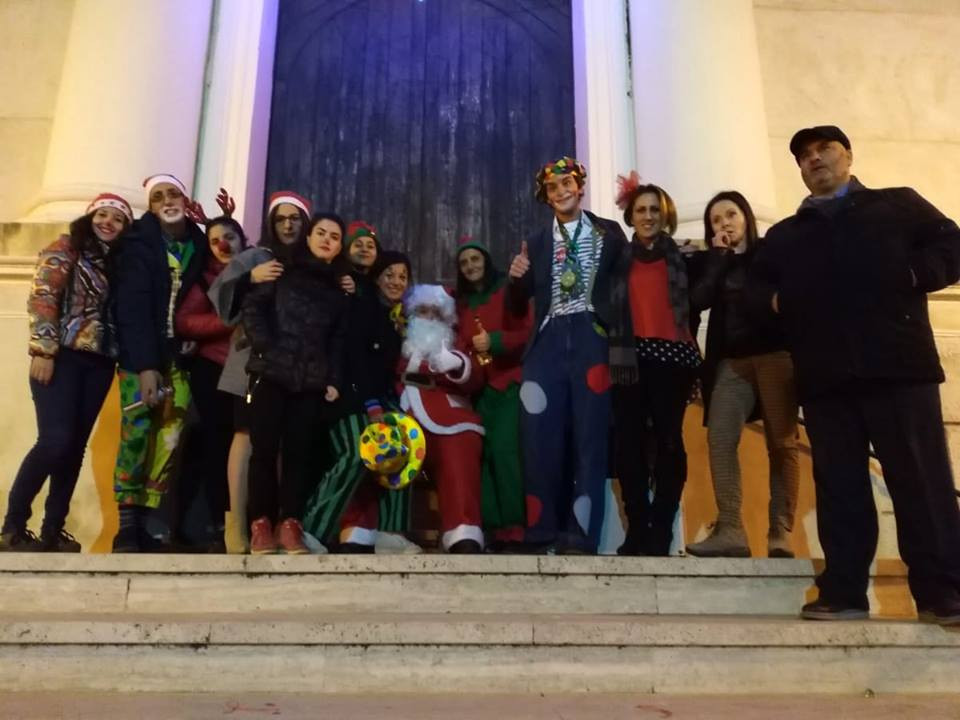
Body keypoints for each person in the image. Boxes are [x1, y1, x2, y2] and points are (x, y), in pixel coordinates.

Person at [748, 125, 960, 625]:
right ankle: (843, 591)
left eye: (825, 149)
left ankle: (943, 593)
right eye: (804, 155)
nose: (814, 159)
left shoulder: (898, 204)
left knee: (922, 483)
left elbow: (952, 244)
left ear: (848, 155)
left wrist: (916, 274)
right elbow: (753, 291)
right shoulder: (786, 235)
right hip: (825, 378)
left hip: (900, 369)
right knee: (839, 488)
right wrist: (779, 303)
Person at [507, 156, 627, 554]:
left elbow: (624, 288)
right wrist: (516, 279)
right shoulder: (537, 241)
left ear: (580, 186)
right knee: (539, 438)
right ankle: (541, 530)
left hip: (592, 334)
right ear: (546, 197)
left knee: (589, 438)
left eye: (566, 183)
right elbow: (516, 305)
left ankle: (581, 535)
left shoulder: (609, 233)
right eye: (552, 188)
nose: (560, 192)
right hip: (548, 338)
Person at [0, 194, 132, 552]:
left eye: (118, 218)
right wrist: (44, 349)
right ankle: (12, 526)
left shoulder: (118, 263)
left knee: (74, 448)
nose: (108, 222)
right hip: (62, 356)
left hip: (100, 362)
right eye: (102, 214)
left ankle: (53, 530)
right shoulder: (66, 248)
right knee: (54, 440)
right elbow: (44, 297)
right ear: (90, 217)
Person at [686, 191, 799, 558]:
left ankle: (779, 530)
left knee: (781, 443)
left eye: (730, 215)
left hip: (775, 355)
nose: (725, 224)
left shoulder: (769, 252)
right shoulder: (715, 262)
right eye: (716, 221)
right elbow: (698, 300)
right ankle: (731, 528)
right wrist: (718, 259)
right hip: (731, 361)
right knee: (720, 438)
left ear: (746, 216)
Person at [208, 191, 312, 552]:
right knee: (247, 437)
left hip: (297, 368)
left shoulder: (310, 261)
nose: (288, 225)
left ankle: (284, 523)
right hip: (252, 361)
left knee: (287, 444)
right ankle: (238, 524)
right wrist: (249, 278)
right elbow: (221, 301)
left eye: (294, 219)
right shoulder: (255, 257)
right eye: (281, 219)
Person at [112, 174, 210, 552]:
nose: (167, 201)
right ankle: (127, 527)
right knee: (136, 432)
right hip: (140, 360)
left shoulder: (199, 246)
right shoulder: (137, 246)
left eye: (173, 194)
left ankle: (149, 521)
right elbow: (132, 307)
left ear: (186, 201)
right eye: (158, 197)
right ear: (151, 207)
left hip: (178, 360)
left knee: (170, 436)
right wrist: (145, 365)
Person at [604, 176, 701, 556]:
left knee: (668, 441)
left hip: (673, 359)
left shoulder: (685, 257)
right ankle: (637, 528)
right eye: (641, 210)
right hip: (628, 357)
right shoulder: (617, 260)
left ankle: (661, 528)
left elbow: (703, 297)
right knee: (628, 444)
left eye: (654, 210)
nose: (648, 216)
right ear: (630, 216)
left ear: (665, 216)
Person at [242, 211, 349, 554]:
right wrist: (265, 346)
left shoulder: (338, 290)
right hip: (271, 373)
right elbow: (253, 308)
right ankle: (260, 523)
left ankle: (290, 523)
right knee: (263, 451)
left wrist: (333, 378)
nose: (326, 240)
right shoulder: (280, 269)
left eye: (334, 236)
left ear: (339, 247)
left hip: (310, 381)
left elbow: (338, 340)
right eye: (321, 233)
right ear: (309, 237)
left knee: (299, 455)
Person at [334, 250, 421, 552]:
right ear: (376, 278)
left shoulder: (398, 317)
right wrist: (372, 404)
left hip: (384, 397)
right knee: (366, 449)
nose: (396, 282)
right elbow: (356, 360)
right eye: (389, 275)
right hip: (354, 397)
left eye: (403, 277)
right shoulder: (363, 308)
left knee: (407, 439)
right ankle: (347, 526)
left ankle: (390, 530)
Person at [174, 215, 247, 552]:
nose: (223, 245)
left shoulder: (256, 272)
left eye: (229, 236)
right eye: (215, 239)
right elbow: (185, 321)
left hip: (248, 370)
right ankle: (219, 521)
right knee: (218, 444)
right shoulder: (204, 279)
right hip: (213, 368)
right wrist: (226, 322)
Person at [454, 235, 531, 548]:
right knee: (483, 458)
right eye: (463, 262)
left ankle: (515, 526)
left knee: (505, 454)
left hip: (508, 385)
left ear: (486, 261)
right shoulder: (460, 305)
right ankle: (493, 527)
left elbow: (526, 333)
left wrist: (494, 342)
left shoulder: (506, 292)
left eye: (475, 259)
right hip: (477, 392)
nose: (470, 266)